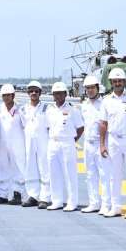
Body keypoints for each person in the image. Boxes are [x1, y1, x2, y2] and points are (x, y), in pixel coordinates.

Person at [98, 68, 126, 218]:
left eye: (120, 80)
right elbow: (103, 123)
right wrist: (102, 144)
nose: (117, 83)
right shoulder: (107, 101)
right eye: (115, 81)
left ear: (124, 82)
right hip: (113, 139)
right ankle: (116, 206)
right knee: (114, 175)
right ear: (111, 83)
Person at [45, 82, 85, 211]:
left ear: (65, 94)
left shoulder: (73, 110)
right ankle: (57, 200)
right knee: (54, 172)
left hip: (67, 143)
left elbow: (80, 128)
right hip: (53, 142)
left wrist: (73, 140)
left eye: (60, 93)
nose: (58, 96)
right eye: (55, 94)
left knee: (69, 173)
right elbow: (47, 127)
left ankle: (72, 202)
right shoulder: (50, 110)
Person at [0, 84, 25, 204]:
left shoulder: (21, 110)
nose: (5, 97)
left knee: (18, 168)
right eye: (3, 95)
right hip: (2, 144)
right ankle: (2, 195)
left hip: (17, 144)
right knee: (2, 168)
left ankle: (17, 194)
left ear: (13, 95)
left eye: (8, 95)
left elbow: (26, 127)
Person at [20, 81, 51, 208]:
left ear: (40, 93)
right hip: (29, 141)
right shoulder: (23, 109)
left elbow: (50, 126)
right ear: (28, 93)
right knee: (30, 168)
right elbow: (23, 125)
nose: (33, 93)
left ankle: (44, 197)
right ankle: (33, 195)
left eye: (36, 91)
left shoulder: (47, 108)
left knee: (44, 168)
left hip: (43, 141)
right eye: (31, 91)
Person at [78, 75, 104, 213]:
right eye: (87, 88)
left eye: (92, 88)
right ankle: (94, 203)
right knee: (90, 174)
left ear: (97, 88)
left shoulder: (104, 104)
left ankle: (106, 204)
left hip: (101, 143)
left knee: (104, 174)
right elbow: (81, 125)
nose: (90, 90)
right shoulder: (84, 106)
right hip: (88, 144)